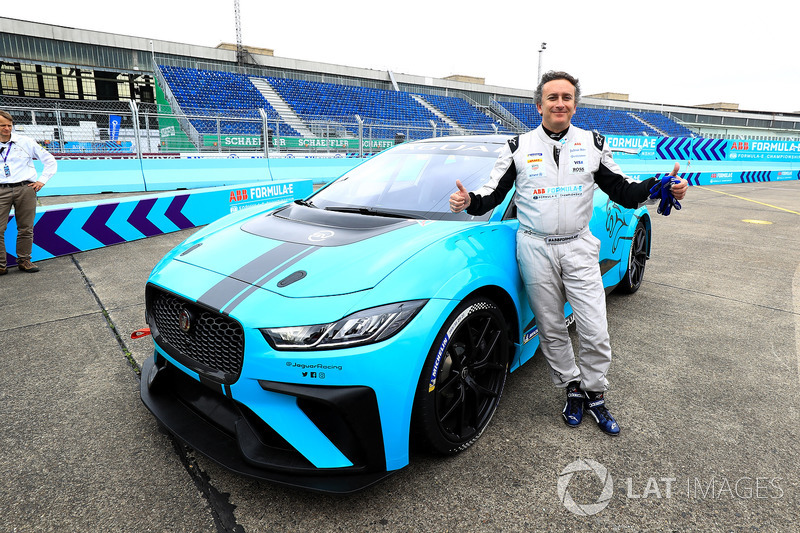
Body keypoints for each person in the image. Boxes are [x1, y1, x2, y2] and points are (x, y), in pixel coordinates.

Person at [449, 71, 687, 436]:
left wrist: (660, 186)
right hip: (535, 248)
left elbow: (622, 190)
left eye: (566, 97)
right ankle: (571, 388)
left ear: (575, 103)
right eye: (552, 97)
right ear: (539, 104)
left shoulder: (593, 142)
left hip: (578, 245)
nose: (560, 103)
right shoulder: (517, 146)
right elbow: (491, 195)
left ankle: (595, 393)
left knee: (594, 328)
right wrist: (468, 202)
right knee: (551, 328)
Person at [0, 110, 57, 274]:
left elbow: (50, 161)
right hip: (1, 188)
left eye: (9, 125)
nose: (6, 128)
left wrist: (42, 180)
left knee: (25, 227)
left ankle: (24, 260)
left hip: (25, 188)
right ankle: (1, 265)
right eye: (2, 125)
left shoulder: (25, 142)